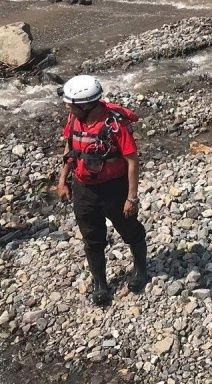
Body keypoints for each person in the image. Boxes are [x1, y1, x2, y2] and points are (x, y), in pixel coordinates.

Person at [56, 75, 149, 306]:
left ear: (86, 105)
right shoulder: (74, 119)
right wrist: (62, 180)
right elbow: (70, 150)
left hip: (114, 190)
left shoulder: (115, 125)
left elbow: (132, 161)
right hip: (84, 190)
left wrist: (131, 197)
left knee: (130, 230)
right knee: (92, 238)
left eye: (71, 104)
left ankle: (140, 271)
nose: (68, 107)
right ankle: (100, 284)